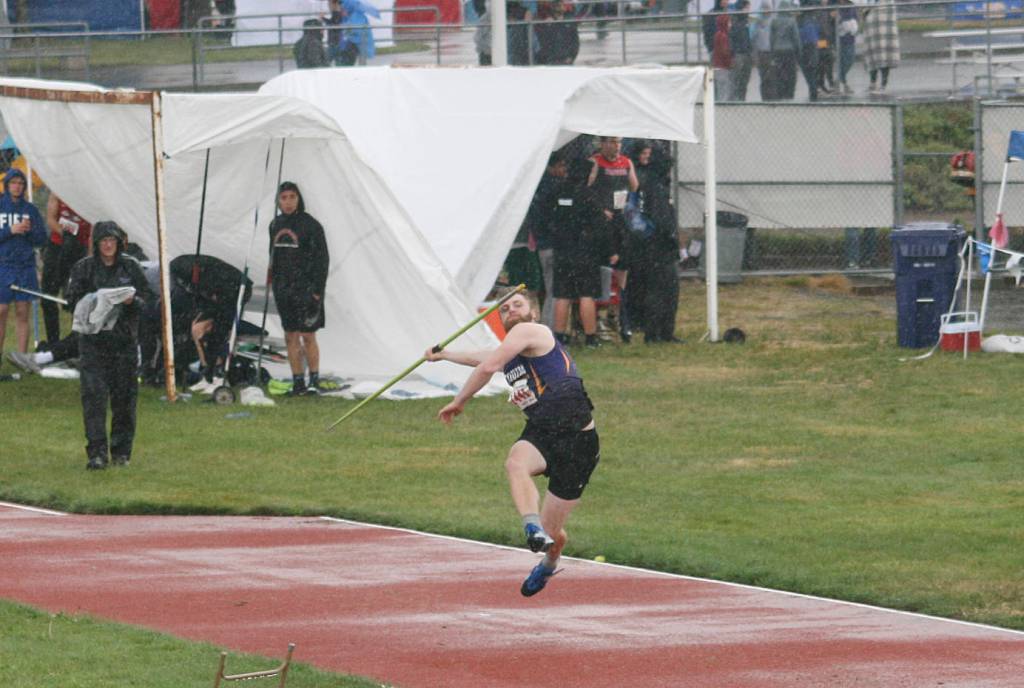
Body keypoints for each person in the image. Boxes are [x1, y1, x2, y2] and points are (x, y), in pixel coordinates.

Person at [425, 290, 599, 597]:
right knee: (515, 462)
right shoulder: (511, 355)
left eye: (517, 305)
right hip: (543, 431)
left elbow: (487, 366)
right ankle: (531, 526)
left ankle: (547, 563)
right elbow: (481, 358)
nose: (510, 311)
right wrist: (445, 354)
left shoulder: (532, 331)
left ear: (533, 312)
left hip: (578, 441)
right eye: (504, 309)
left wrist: (459, 401)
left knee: (554, 533)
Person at [65, 221, 154, 470]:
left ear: (118, 243)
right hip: (93, 343)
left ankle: (122, 452)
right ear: (96, 243)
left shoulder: (131, 266)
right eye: (103, 241)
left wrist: (131, 302)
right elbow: (70, 300)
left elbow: (149, 300)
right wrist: (92, 302)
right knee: (93, 398)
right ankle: (96, 453)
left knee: (124, 400)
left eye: (112, 241)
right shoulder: (83, 268)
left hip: (123, 342)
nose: (107, 245)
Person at [268, 181, 329, 396]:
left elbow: (323, 261)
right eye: (284, 198)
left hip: (306, 289)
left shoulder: (311, 225)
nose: (288, 202)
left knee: (308, 335)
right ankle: (298, 383)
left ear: (299, 198)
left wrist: (317, 291)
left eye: (292, 197)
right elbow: (273, 257)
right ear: (278, 200)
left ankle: (314, 380)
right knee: (290, 336)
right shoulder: (274, 224)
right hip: (284, 290)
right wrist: (274, 282)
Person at [587, 136, 638, 345]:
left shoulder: (625, 162)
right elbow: (587, 187)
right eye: (612, 142)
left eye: (618, 142)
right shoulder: (596, 162)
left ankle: (617, 314)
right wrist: (599, 209)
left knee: (622, 268)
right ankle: (599, 316)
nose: (616, 147)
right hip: (602, 221)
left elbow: (634, 186)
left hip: (621, 219)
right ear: (602, 143)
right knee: (603, 270)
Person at [0, 168, 46, 367]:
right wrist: (10, 230)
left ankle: (22, 357)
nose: (17, 186)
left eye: (20, 183)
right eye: (13, 183)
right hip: (3, 265)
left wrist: (28, 232)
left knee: (22, 312)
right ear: (7, 185)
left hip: (25, 266)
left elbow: (42, 239)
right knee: (1, 310)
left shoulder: (30, 209)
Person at [41, 193, 91, 346]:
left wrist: (89, 257)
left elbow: (94, 226)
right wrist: (65, 234)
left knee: (76, 299)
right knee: (48, 296)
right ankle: (53, 343)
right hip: (58, 247)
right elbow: (50, 219)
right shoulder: (58, 190)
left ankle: (74, 344)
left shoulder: (90, 195)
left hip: (80, 249)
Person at [862, 0, 899, 94]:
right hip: (872, 32)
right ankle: (872, 83)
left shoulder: (888, 2)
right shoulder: (870, 2)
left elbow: (889, 15)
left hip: (885, 32)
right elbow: (865, 13)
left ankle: (883, 84)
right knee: (872, 56)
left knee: (885, 57)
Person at [769, 0, 800, 100]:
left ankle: (780, 94)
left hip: (777, 50)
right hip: (789, 50)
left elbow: (771, 38)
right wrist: (798, 51)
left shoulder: (774, 21)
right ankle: (789, 94)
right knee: (791, 74)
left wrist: (772, 51)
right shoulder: (792, 21)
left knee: (779, 73)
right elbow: (796, 38)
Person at [534, 1, 579, 65]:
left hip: (565, 60)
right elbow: (542, 42)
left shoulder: (569, 23)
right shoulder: (546, 24)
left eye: (560, 5)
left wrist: (571, 57)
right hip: (550, 61)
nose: (559, 8)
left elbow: (575, 42)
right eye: (556, 6)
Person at [729, 0, 753, 101]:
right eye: (747, 7)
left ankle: (742, 98)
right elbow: (732, 38)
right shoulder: (736, 21)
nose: (749, 10)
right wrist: (733, 53)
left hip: (747, 53)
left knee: (745, 78)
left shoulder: (746, 21)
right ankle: (736, 98)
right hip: (738, 53)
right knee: (737, 78)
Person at [836, 0, 858, 95]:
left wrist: (852, 26)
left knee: (850, 59)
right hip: (839, 39)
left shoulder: (851, 6)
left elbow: (855, 19)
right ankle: (842, 83)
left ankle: (840, 79)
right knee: (841, 61)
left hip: (850, 38)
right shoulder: (834, 5)